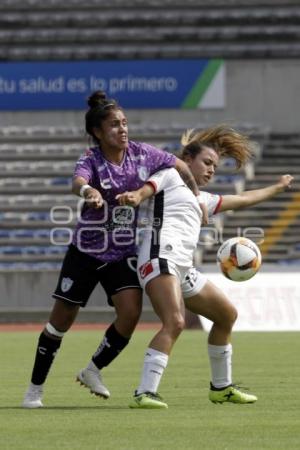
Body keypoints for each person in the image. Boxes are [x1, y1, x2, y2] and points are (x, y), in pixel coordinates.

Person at [22, 91, 202, 409]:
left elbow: (179, 167)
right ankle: (34, 390)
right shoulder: (91, 160)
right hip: (86, 250)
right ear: (98, 132)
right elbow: (77, 181)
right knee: (60, 321)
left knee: (131, 313)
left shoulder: (143, 154)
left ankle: (93, 370)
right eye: (114, 125)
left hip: (121, 253)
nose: (122, 129)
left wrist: (194, 194)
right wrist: (89, 191)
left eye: (124, 123)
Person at [116, 125, 293, 409]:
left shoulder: (203, 200)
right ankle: (144, 392)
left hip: (181, 268)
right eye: (207, 163)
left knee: (226, 315)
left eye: (215, 166)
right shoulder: (171, 175)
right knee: (175, 322)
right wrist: (137, 196)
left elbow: (244, 199)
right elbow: (147, 189)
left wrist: (278, 187)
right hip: (159, 257)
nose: (211, 170)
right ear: (187, 158)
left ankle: (221, 388)